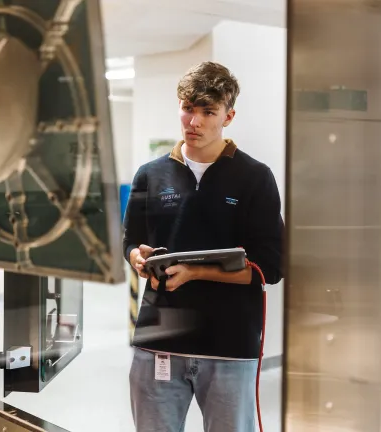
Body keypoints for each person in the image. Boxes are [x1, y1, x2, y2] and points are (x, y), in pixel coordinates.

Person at [123, 61, 284, 432]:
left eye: (207, 112)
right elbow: (130, 241)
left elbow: (271, 266)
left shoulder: (255, 178)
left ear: (228, 116)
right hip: (158, 340)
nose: (193, 121)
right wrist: (136, 257)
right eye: (187, 108)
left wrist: (196, 272)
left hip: (229, 345)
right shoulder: (150, 174)